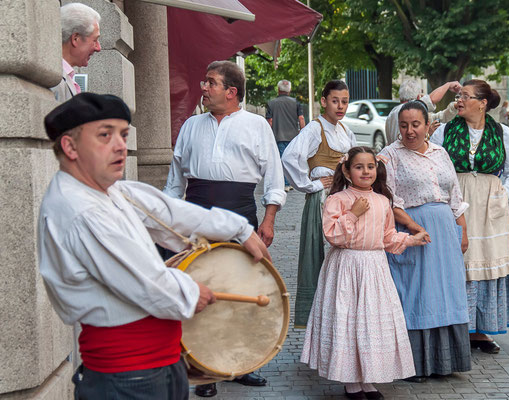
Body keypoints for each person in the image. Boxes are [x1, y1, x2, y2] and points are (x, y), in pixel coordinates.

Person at [38, 93, 270, 400]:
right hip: (128, 376)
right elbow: (151, 285)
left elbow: (168, 213)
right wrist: (192, 291)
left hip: (152, 367)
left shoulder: (110, 191)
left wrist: (240, 229)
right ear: (70, 147)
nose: (120, 145)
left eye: (123, 134)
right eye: (105, 135)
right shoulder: (82, 210)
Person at [164, 60, 285, 394]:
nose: (204, 88)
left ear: (232, 92)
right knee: (202, 287)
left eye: (211, 83)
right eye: (204, 82)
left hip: (242, 213)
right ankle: (205, 366)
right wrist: (166, 220)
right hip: (196, 214)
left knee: (243, 288)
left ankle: (243, 363)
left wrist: (269, 220)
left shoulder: (256, 125)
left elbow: (274, 176)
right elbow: (175, 180)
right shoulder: (190, 125)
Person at [301, 146, 428, 399]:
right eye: (359, 167)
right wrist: (353, 213)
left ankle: (368, 379)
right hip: (346, 267)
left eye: (370, 166)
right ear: (347, 172)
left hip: (374, 267)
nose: (366, 171)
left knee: (370, 322)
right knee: (348, 321)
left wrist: (411, 240)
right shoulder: (337, 199)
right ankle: (351, 382)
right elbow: (333, 235)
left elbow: (387, 236)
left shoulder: (383, 202)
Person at [430, 79, 509, 354]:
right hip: (455, 204)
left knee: (486, 265)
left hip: (490, 208)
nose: (458, 100)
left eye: (465, 97)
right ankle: (457, 326)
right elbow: (432, 167)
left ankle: (482, 329)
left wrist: (501, 196)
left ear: (483, 104)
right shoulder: (445, 132)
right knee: (456, 264)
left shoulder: (502, 133)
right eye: (458, 96)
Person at [379, 101, 471, 381]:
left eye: (415, 124)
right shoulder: (389, 156)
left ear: (428, 125)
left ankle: (446, 361)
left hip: (444, 230)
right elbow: (389, 199)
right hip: (413, 231)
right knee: (416, 293)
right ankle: (413, 364)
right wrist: (414, 227)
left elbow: (454, 195)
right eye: (404, 125)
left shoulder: (440, 153)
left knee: (446, 292)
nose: (409, 131)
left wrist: (462, 230)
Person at [281, 80, 357, 328]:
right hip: (322, 201)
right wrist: (311, 184)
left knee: (344, 256)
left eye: (344, 101)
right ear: (324, 101)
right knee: (320, 255)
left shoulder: (345, 131)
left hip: (346, 199)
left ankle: (342, 313)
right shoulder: (315, 129)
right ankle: (321, 318)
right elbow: (290, 157)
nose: (340, 106)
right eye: (335, 101)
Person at [385, 79, 462, 145]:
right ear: (419, 97)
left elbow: (439, 117)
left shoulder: (392, 114)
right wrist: (448, 85)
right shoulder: (412, 108)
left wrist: (454, 107)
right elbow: (432, 99)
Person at [52, 3, 101, 102]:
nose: (98, 48)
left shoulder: (63, 77)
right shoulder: (53, 80)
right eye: (95, 40)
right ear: (75, 38)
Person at [266, 79, 306, 191]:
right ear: (290, 90)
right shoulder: (296, 103)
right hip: (293, 136)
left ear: (278, 89)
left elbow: (269, 121)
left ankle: (284, 183)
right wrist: (303, 133)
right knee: (291, 160)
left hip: (277, 136)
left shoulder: (271, 103)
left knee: (280, 160)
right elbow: (301, 118)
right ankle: (290, 182)